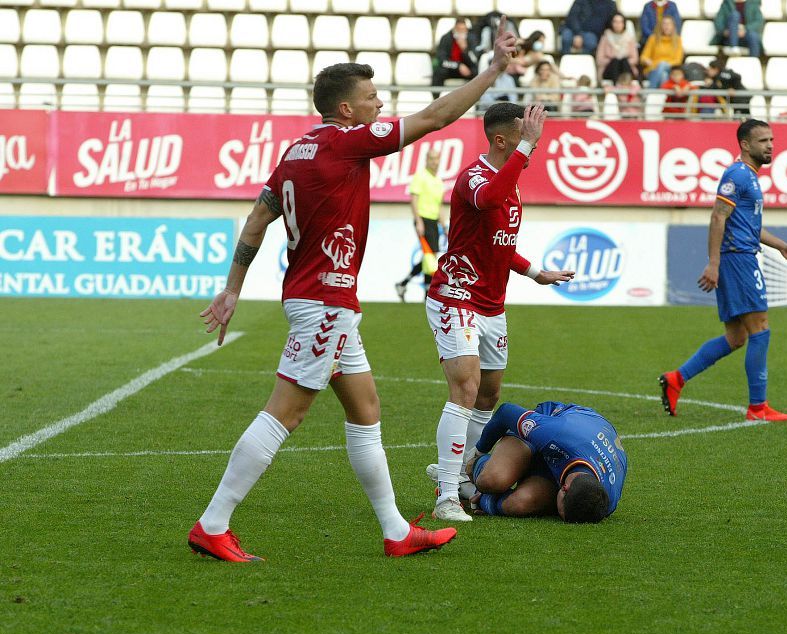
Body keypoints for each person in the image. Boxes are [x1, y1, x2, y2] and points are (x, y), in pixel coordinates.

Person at [188, 23, 519, 562]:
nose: (379, 103)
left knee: (366, 411)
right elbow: (436, 118)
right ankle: (212, 522)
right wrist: (494, 71)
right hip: (323, 302)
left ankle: (394, 531)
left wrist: (232, 289)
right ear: (345, 110)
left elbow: (256, 221)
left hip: (323, 299)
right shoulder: (347, 144)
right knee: (285, 414)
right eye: (370, 97)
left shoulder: (296, 152)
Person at [424, 103, 575, 521]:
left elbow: (500, 242)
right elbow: (489, 199)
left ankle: (460, 469)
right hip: (456, 295)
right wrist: (527, 146)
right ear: (501, 139)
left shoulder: (514, 182)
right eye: (525, 137)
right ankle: (447, 494)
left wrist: (534, 273)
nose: (534, 147)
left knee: (489, 395)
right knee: (466, 389)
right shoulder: (475, 177)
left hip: (492, 305)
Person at [659, 120, 787, 422]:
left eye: (772, 139)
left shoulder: (749, 178)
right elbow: (717, 217)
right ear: (745, 145)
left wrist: (780, 246)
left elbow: (748, 226)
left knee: (736, 336)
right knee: (760, 328)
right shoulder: (737, 175)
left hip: (740, 257)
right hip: (737, 259)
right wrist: (714, 263)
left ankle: (677, 378)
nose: (770, 145)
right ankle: (757, 408)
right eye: (763, 140)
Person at [462, 401, 627, 522]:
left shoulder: (605, 502)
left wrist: (486, 502)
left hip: (567, 456)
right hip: (551, 426)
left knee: (520, 503)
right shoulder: (556, 435)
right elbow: (506, 412)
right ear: (564, 488)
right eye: (558, 512)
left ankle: (474, 495)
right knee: (491, 480)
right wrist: (478, 451)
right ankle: (472, 471)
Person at [395, 149, 445, 302]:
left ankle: (403, 284)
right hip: (423, 219)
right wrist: (418, 220)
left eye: (437, 159)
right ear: (426, 160)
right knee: (430, 257)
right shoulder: (420, 176)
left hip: (433, 222)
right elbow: (414, 199)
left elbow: (440, 205)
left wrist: (445, 225)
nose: (434, 162)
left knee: (429, 257)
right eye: (432, 159)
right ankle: (427, 294)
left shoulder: (439, 181)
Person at [432, 18, 477, 95]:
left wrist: (465, 50)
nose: (462, 32)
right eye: (459, 30)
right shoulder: (446, 38)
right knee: (439, 72)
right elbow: (442, 61)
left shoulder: (472, 39)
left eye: (464, 30)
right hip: (450, 69)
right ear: (455, 29)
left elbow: (474, 61)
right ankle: (435, 98)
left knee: (476, 73)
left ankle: (475, 100)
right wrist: (458, 66)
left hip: (467, 69)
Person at [640, 15, 684, 88]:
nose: (666, 26)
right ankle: (662, 97)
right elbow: (643, 57)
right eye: (664, 24)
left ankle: (650, 92)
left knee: (663, 66)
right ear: (660, 26)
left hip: (670, 69)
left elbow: (678, 60)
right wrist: (647, 60)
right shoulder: (653, 38)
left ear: (673, 26)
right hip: (653, 69)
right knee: (663, 75)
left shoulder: (677, 40)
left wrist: (663, 64)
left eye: (669, 24)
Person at [596, 13, 640, 83]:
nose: (618, 24)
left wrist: (622, 61)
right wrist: (613, 59)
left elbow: (635, 59)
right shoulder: (605, 37)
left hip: (626, 67)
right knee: (615, 61)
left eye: (620, 22)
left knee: (624, 61)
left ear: (624, 24)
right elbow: (599, 59)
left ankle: (626, 86)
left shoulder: (629, 38)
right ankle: (617, 87)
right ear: (611, 23)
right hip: (609, 69)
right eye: (615, 22)